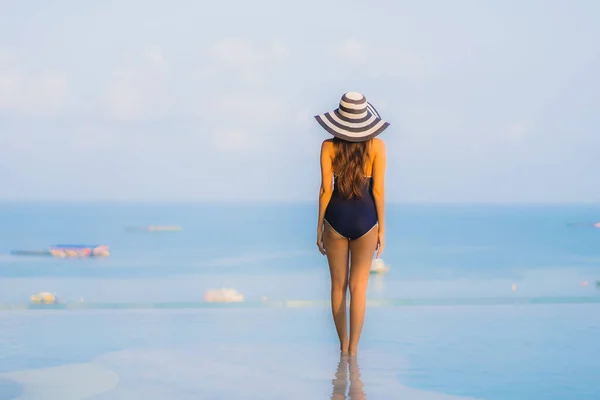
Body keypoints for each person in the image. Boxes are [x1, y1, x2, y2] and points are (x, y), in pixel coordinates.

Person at [314, 92, 389, 355]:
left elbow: (325, 190)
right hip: (366, 219)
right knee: (359, 287)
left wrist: (318, 228)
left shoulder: (328, 146)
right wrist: (382, 227)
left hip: (335, 217)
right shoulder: (377, 146)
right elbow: (378, 191)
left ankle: (342, 347)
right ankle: (354, 351)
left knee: (338, 285)